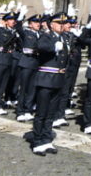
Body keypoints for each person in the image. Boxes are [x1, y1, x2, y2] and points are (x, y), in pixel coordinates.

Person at [29, 13, 71, 155]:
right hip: (46, 79)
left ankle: (47, 139)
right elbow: (40, 46)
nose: (61, 25)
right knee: (42, 112)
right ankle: (37, 140)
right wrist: (54, 47)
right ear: (51, 24)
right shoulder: (47, 36)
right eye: (58, 23)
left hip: (58, 79)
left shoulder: (64, 38)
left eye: (62, 23)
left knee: (51, 112)